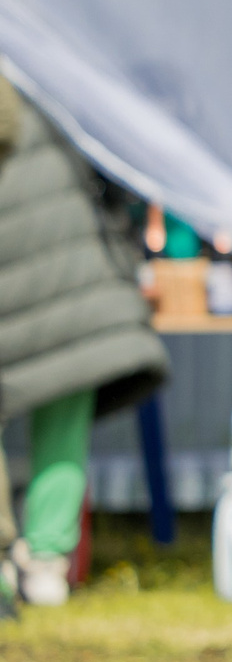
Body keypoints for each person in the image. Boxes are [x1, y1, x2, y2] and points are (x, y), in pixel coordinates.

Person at [0, 80, 169, 608]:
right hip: (77, 275)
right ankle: (48, 561)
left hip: (17, 270)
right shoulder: (56, 72)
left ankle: (7, 562)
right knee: (64, 403)